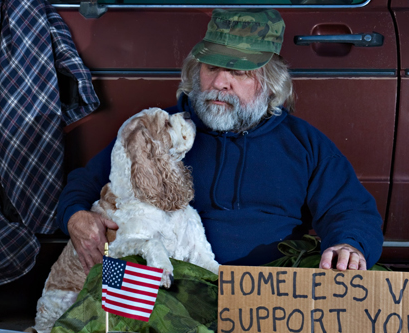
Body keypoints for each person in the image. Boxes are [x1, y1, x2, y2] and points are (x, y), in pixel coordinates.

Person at [56, 9, 384, 273]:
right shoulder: (158, 131)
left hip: (269, 285)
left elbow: (350, 208)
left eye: (240, 72)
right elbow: (85, 184)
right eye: (212, 67)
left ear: (270, 83)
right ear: (194, 72)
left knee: (366, 279)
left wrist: (349, 244)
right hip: (172, 281)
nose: (221, 82)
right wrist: (75, 217)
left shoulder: (303, 143)